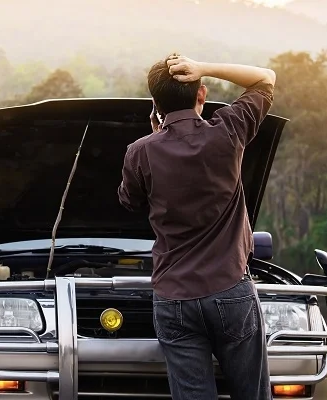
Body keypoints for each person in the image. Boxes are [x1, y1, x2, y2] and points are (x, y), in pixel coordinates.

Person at [117, 54, 276, 400]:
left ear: (155, 104)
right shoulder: (229, 131)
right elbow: (265, 79)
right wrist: (204, 67)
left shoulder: (139, 152)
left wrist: (156, 139)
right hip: (231, 290)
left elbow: (129, 201)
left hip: (174, 299)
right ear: (201, 94)